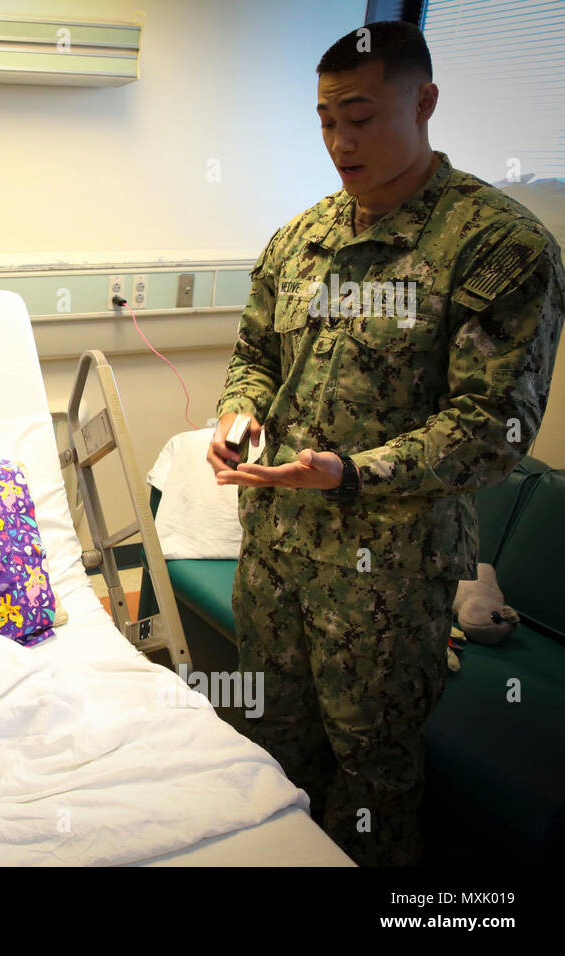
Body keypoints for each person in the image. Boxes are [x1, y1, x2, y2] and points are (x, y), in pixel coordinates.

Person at [207, 21, 564, 866]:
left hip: (388, 586)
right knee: (266, 751)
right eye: (327, 119)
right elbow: (256, 356)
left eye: (361, 117)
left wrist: (348, 475)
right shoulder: (301, 242)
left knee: (372, 782)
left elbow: (491, 432)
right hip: (275, 558)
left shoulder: (499, 247)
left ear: (426, 101)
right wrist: (239, 416)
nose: (340, 141)